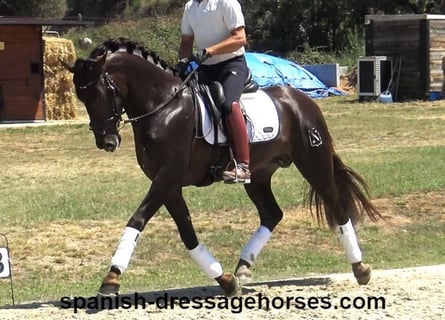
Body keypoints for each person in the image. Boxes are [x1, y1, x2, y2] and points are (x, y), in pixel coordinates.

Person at [177, 0, 251, 184]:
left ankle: (242, 166)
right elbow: (186, 41)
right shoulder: (190, 7)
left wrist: (209, 51)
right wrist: (182, 63)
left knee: (228, 104)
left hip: (231, 65)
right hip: (204, 68)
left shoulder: (226, 2)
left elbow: (240, 38)